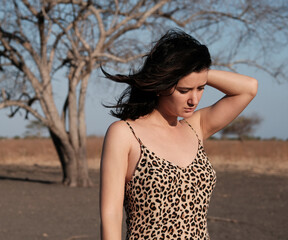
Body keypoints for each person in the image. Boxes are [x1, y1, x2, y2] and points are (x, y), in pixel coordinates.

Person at [99, 29, 258, 240]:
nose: (194, 99)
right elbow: (111, 214)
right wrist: (180, 72)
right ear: (161, 85)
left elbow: (249, 88)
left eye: (200, 88)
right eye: (184, 90)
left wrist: (197, 71)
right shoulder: (125, 133)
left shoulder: (196, 127)